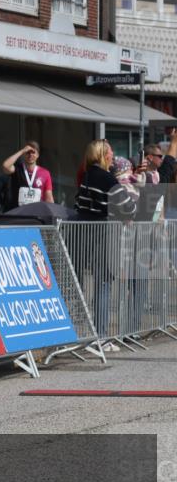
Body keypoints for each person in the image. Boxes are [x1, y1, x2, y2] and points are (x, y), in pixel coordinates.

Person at [74, 140, 137, 343]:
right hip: (105, 236)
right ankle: (100, 336)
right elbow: (128, 208)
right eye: (110, 152)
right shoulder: (107, 178)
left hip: (85, 235)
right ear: (103, 155)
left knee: (89, 284)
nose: (113, 155)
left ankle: (89, 333)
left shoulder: (87, 175)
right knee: (104, 284)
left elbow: (78, 204)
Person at [1, 140, 53, 208]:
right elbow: (5, 166)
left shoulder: (45, 173)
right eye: (28, 152)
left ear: (37, 155)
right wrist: (22, 151)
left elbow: (49, 198)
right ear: (24, 154)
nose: (30, 155)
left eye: (33, 152)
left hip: (36, 213)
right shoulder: (17, 169)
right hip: (19, 212)